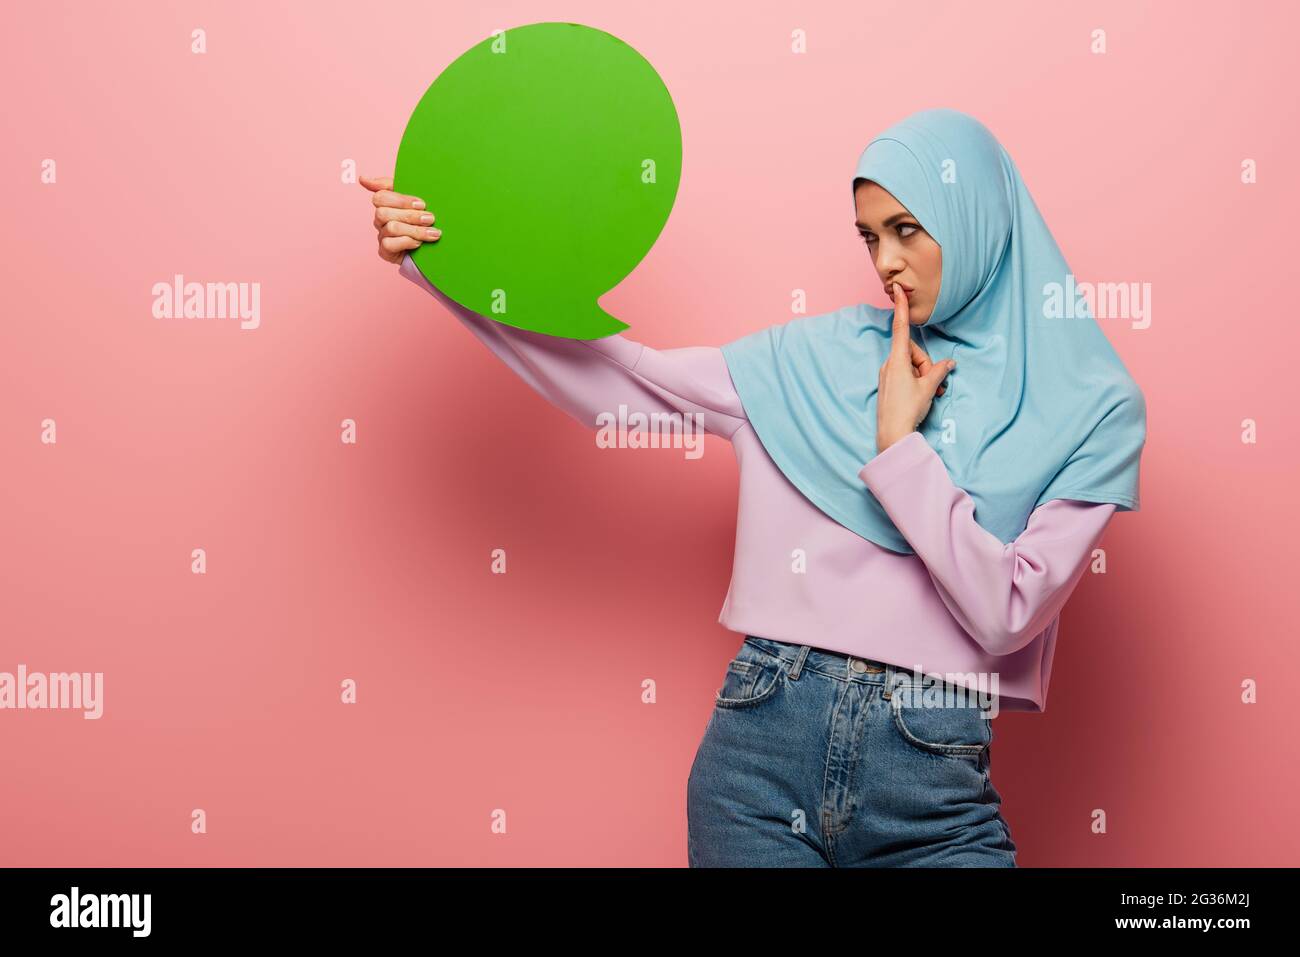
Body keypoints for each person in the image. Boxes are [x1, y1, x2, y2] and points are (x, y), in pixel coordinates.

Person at [360, 107, 1146, 867]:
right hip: (758, 760)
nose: (886, 264)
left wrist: (901, 451)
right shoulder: (815, 357)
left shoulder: (1096, 410)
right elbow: (626, 383)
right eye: (870, 237)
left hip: (934, 788)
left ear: (977, 215)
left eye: (907, 230)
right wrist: (448, 268)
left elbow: (1007, 610)